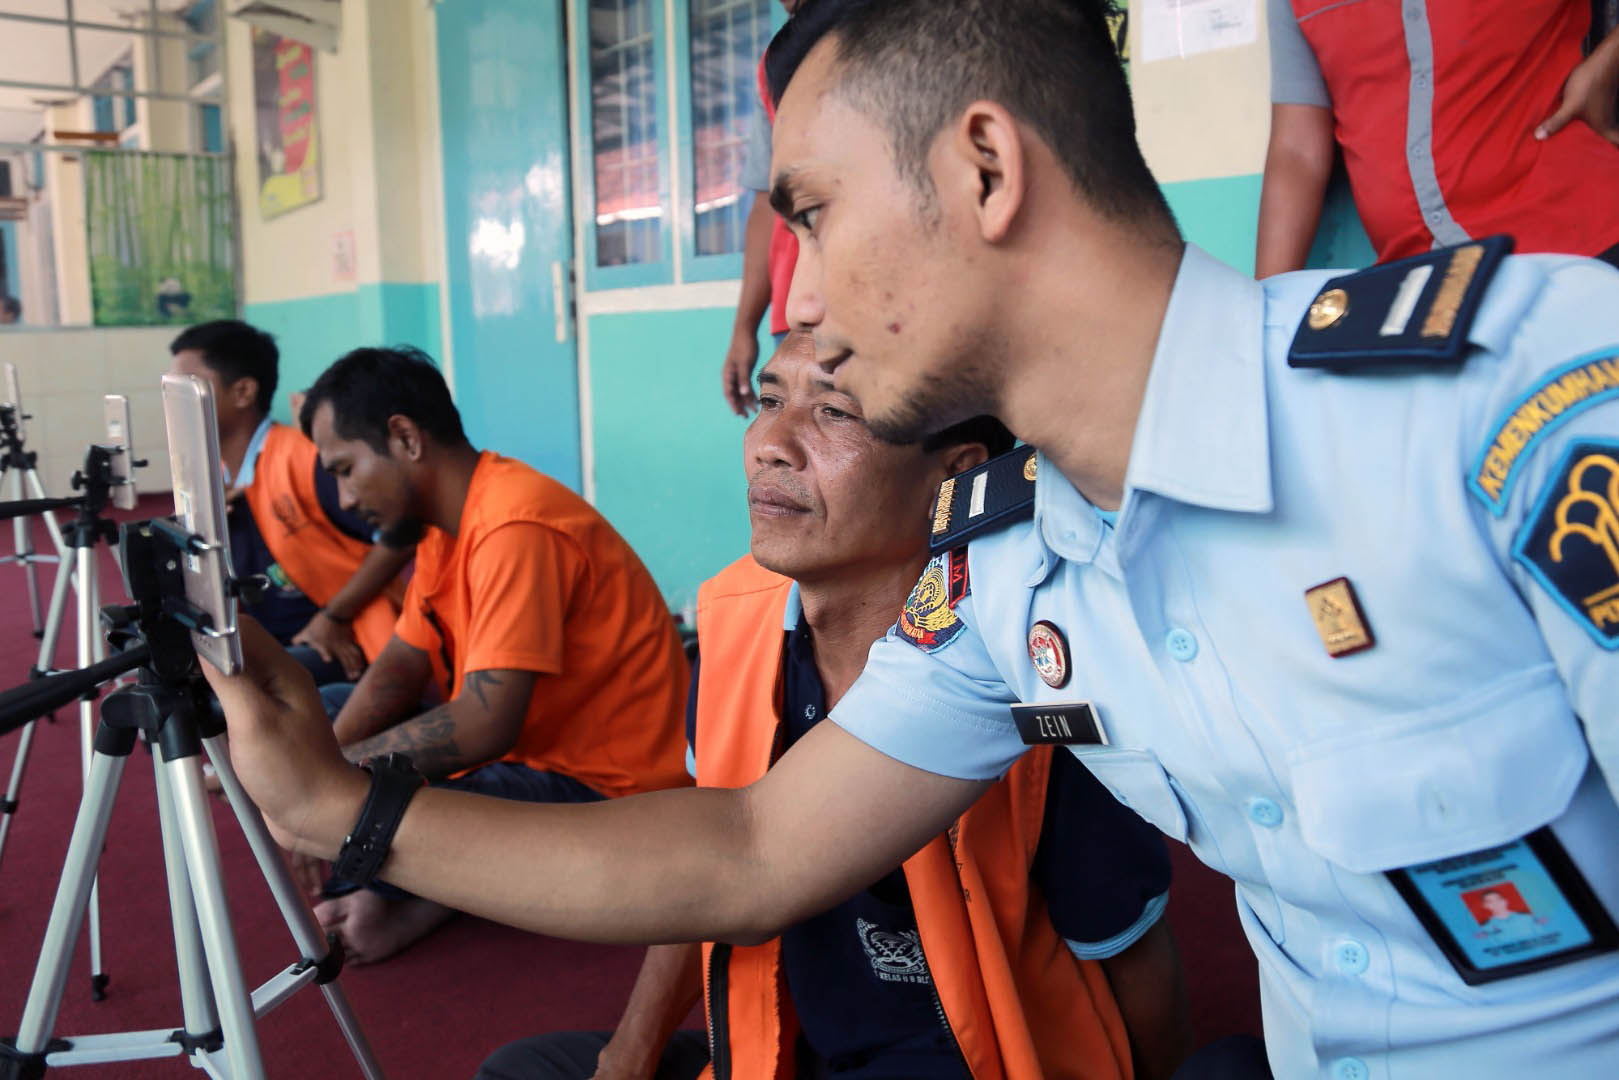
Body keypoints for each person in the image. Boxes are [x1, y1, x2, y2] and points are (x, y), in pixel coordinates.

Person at [203, 2, 1619, 1077]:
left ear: (984, 166)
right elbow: (752, 848)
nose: (799, 304)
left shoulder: (1510, 408)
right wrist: (340, 811)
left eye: (811, 216)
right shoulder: (1008, 572)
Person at [477, 333, 1187, 1080]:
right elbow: (707, 870)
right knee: (525, 1070)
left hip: (973, 1060)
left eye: (835, 412)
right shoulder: (735, 626)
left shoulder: (1032, 674)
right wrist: (626, 1060)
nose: (771, 446)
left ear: (956, 473)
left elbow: (1127, 948)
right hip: (782, 1050)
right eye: (769, 400)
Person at [296, 346, 692, 963]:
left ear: (405, 438)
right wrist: (323, 767)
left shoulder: (514, 524)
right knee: (328, 713)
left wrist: (328, 785)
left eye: (346, 470)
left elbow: (484, 724)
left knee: (368, 807)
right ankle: (424, 888)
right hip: (523, 759)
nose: (344, 498)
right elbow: (400, 666)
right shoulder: (445, 524)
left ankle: (421, 893)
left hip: (609, 796)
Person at [1256, 0, 1619, 277]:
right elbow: (1297, 153)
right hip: (1423, 287)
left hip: (1581, 246)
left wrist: (1605, 67)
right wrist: (1265, 313)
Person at [168, 321, 412, 686]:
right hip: (270, 635)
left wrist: (334, 616)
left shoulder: (305, 458)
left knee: (239, 687)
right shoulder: (211, 475)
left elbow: (402, 535)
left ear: (243, 392)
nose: (175, 403)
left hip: (347, 636)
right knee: (165, 670)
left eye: (188, 387)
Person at [721, 0, 802, 416]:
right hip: (791, 314)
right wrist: (744, 328)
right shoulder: (775, 63)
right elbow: (766, 201)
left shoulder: (895, 30)